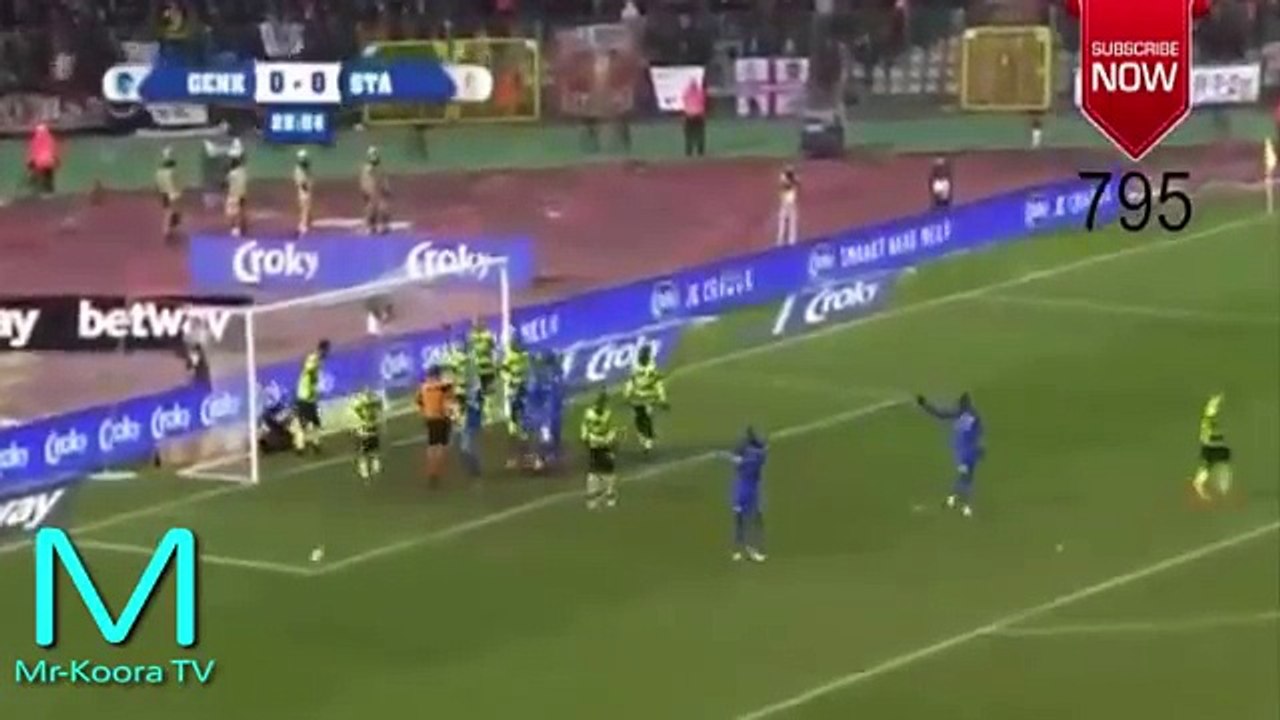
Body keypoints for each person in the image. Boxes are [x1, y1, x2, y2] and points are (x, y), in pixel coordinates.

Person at [916, 392, 984, 517]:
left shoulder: (961, 414)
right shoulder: (972, 416)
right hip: (965, 453)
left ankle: (953, 500)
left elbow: (940, 414)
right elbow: (979, 432)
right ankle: (963, 506)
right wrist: (925, 405)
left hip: (966, 452)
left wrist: (924, 404)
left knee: (966, 477)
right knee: (966, 478)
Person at [731, 427, 768, 562]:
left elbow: (737, 461)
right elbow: (763, 450)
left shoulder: (743, 462)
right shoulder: (758, 458)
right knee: (755, 520)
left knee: (740, 521)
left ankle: (737, 551)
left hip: (740, 490)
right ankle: (752, 551)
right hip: (750, 492)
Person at [624, 344, 668, 454]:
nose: (644, 357)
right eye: (643, 355)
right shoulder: (635, 366)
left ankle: (648, 439)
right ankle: (642, 434)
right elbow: (631, 380)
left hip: (649, 395)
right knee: (639, 417)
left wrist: (662, 398)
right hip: (637, 395)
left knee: (647, 416)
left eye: (646, 355)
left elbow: (657, 383)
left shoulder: (652, 366)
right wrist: (627, 393)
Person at [416, 365, 455, 487]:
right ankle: (437, 471)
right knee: (442, 447)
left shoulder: (423, 388)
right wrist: (452, 416)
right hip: (442, 418)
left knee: (432, 446)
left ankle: (431, 471)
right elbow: (450, 402)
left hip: (430, 419)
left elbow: (419, 403)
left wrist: (424, 413)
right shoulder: (445, 387)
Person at [581, 391, 621, 509]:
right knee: (593, 469)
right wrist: (585, 437)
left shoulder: (608, 414)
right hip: (594, 443)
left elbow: (613, 429)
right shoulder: (589, 413)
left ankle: (609, 494)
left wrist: (609, 439)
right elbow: (585, 427)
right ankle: (592, 495)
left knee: (608, 469)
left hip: (606, 443)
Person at [292, 339, 331, 454]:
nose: (327, 353)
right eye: (326, 350)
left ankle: (314, 444)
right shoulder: (314, 360)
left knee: (315, 423)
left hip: (309, 398)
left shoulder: (317, 360)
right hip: (304, 397)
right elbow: (309, 370)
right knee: (303, 424)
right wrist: (315, 387)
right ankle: (300, 447)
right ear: (323, 349)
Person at [1191, 393, 1232, 501]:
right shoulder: (1209, 424)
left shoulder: (1208, 423)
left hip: (1212, 449)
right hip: (1213, 449)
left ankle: (1220, 491)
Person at [350, 387, 384, 483]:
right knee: (374, 452)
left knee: (363, 454)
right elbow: (379, 405)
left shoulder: (359, 407)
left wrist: (354, 430)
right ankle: (376, 469)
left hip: (363, 431)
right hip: (372, 429)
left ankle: (365, 474)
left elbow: (354, 412)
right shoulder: (374, 405)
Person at [468, 319, 498, 419]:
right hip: (484, 370)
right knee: (486, 393)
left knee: (484, 393)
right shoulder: (487, 336)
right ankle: (488, 414)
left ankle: (487, 414)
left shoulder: (473, 337)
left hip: (482, 370)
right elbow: (493, 346)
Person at [457, 382, 485, 477]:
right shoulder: (473, 402)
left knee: (467, 447)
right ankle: (474, 468)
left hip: (469, 425)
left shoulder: (471, 403)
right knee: (468, 447)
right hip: (469, 425)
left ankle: (474, 468)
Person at [360, 146, 390, 234]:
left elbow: (384, 178)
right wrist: (365, 191)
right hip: (371, 193)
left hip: (379, 192)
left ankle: (384, 226)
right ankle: (371, 226)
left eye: (375, 154)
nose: (374, 157)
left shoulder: (380, 167)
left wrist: (386, 188)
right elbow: (364, 181)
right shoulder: (366, 169)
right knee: (370, 210)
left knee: (383, 208)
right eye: (372, 155)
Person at [155, 146, 182, 243]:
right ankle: (167, 230)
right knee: (171, 212)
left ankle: (169, 228)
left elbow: (157, 185)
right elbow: (175, 183)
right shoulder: (172, 172)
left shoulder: (159, 172)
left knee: (168, 212)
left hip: (164, 193)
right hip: (172, 193)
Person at [26, 123, 58, 196]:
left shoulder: (35, 140)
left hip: (39, 163)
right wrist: (54, 159)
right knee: (49, 175)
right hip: (48, 162)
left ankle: (34, 184)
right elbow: (52, 150)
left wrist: (30, 162)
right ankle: (50, 190)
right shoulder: (50, 138)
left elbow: (33, 152)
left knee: (35, 172)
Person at [224, 148, 248, 237]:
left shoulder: (232, 174)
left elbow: (225, 184)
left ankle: (236, 229)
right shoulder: (243, 171)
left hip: (234, 195)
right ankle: (241, 227)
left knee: (232, 213)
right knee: (240, 212)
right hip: (242, 194)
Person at [681, 77, 706, 157]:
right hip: (698, 115)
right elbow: (703, 101)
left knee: (689, 135)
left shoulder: (686, 92)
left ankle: (689, 151)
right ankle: (700, 151)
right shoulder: (700, 92)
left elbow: (684, 101)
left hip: (689, 115)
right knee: (699, 134)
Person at [776, 166, 800, 246]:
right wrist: (793, 180)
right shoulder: (783, 178)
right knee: (782, 222)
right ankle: (780, 241)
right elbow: (787, 185)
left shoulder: (793, 177)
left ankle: (792, 241)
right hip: (784, 203)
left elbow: (798, 183)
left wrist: (794, 179)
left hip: (792, 203)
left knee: (792, 222)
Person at [294, 149, 313, 236]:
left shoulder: (303, 168)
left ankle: (304, 224)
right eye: (304, 158)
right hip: (303, 191)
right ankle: (302, 226)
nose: (305, 159)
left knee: (306, 208)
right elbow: (302, 183)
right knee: (304, 209)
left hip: (305, 191)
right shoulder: (298, 170)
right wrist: (307, 189)